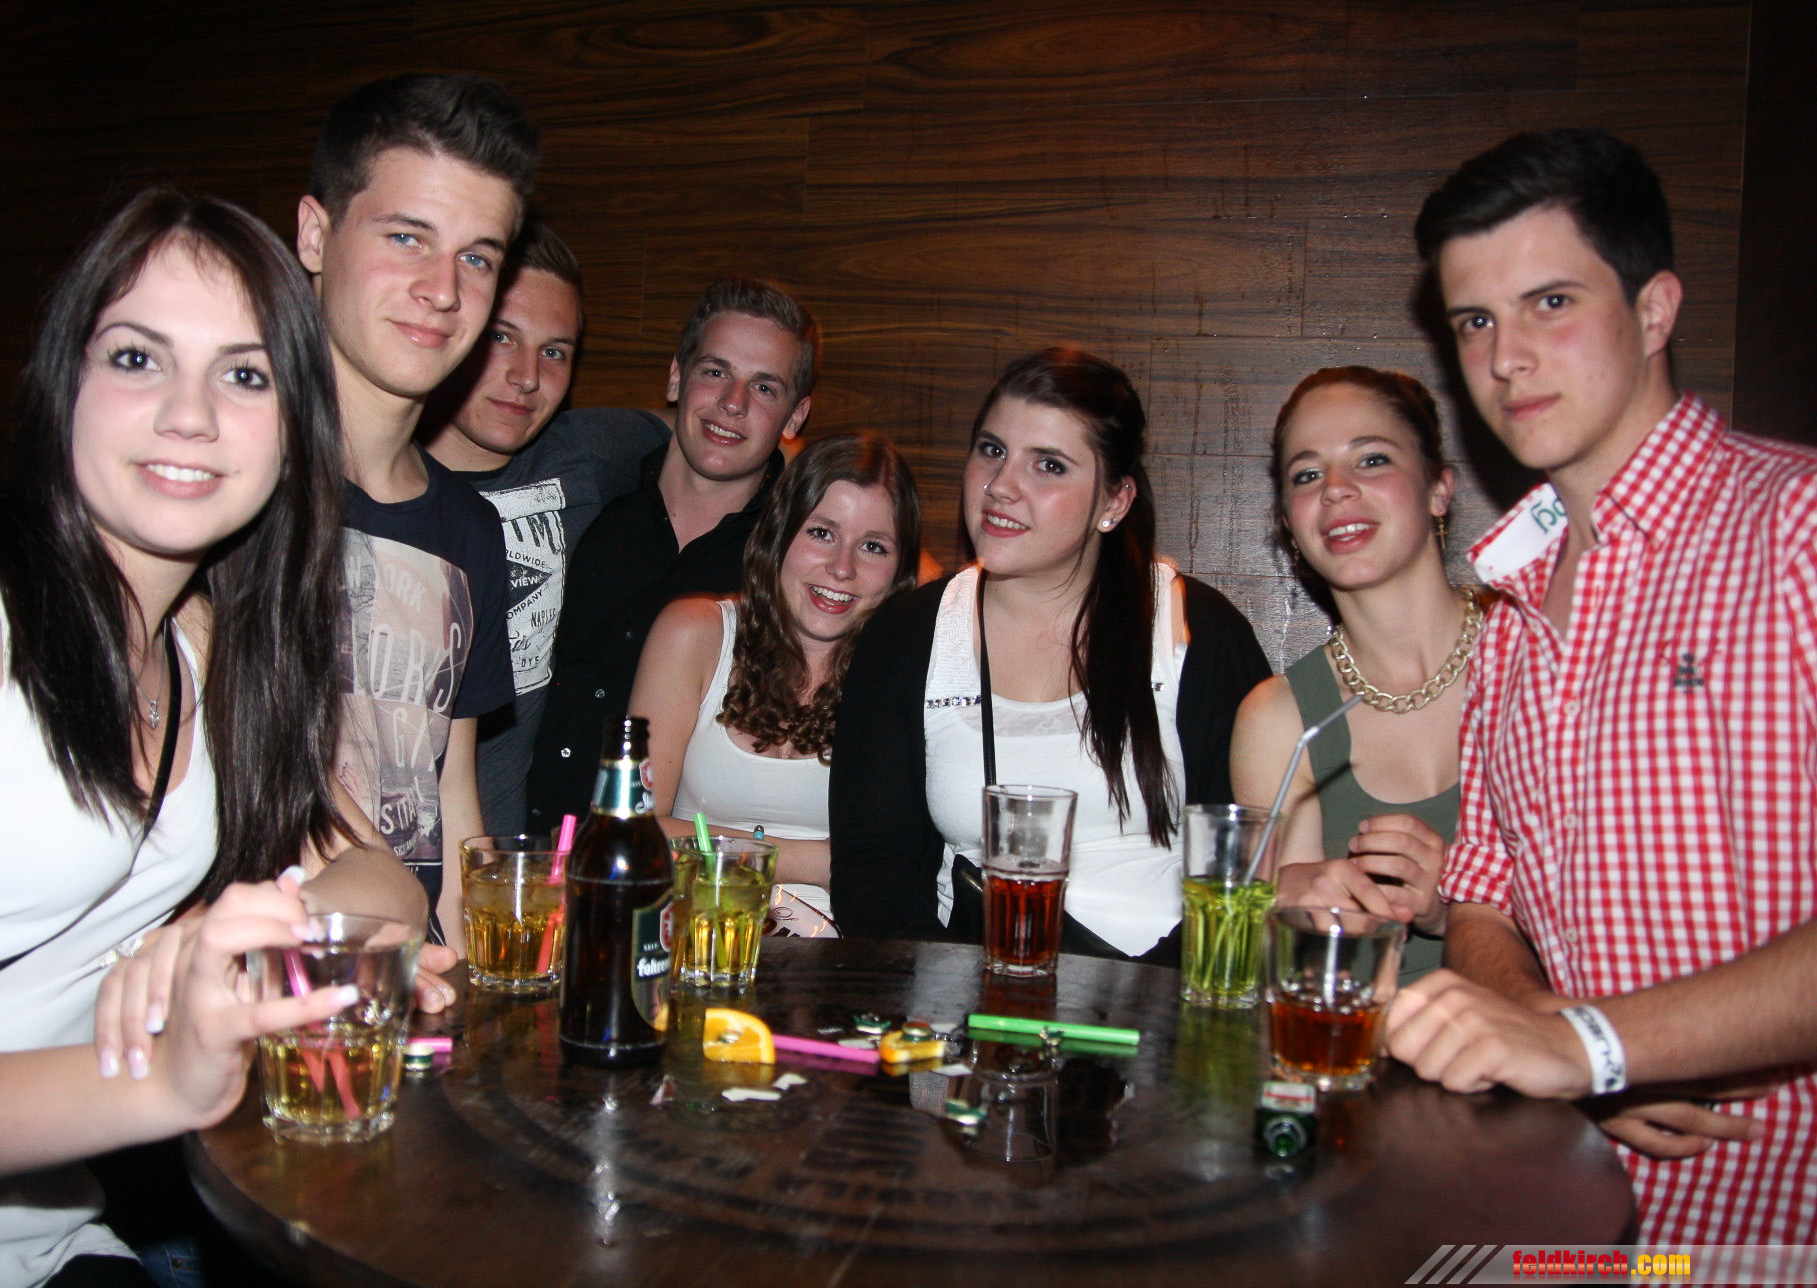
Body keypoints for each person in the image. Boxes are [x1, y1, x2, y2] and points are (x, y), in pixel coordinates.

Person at [0, 190, 426, 1287]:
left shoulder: (206, 648)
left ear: (295, 428)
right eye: (138, 358)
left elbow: (388, 887)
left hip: (53, 1244)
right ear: (65, 382)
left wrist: (234, 944)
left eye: (244, 376)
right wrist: (165, 1078)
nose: (190, 415)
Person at [1382, 128, 1817, 1244]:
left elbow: (1584, 1042)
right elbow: (1483, 897)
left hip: (1770, 1235)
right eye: (1474, 321)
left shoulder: (1797, 528)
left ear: (1656, 310)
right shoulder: (1509, 606)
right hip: (1569, 1231)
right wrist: (1551, 1032)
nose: (1505, 359)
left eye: (1550, 303)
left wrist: (1596, 1044)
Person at [830, 347, 1270, 960]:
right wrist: (952, 990)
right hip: (968, 989)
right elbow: (872, 869)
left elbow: (1246, 867)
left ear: (1114, 502)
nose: (1001, 485)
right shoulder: (908, 634)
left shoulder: (1200, 631)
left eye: (1049, 465)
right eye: (992, 450)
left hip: (1160, 992)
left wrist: (1135, 998)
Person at [297, 72, 538, 945]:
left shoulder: (469, 528)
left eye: (477, 258)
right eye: (407, 238)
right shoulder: (229, 489)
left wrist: (483, 985)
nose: (444, 289)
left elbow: (449, 795)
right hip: (260, 969)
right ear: (315, 234)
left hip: (412, 981)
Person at [524, 275, 817, 834]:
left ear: (796, 416)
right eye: (715, 373)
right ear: (677, 377)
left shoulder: (794, 561)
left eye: (764, 388)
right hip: (527, 850)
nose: (732, 403)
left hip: (666, 869)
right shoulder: (590, 500)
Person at [1230, 367, 1478, 980]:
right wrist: (1288, 909)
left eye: (1371, 460)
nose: (1336, 489)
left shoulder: (1537, 654)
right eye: (1307, 475)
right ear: (1289, 523)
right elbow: (1293, 977)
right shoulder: (1279, 717)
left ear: (1438, 490)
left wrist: (1459, 911)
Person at [422, 223, 670, 835]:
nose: (527, 376)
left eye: (554, 351)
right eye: (501, 337)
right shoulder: (378, 478)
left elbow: (711, 427)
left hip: (502, 860)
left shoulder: (580, 456)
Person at [627, 432, 922, 915]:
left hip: (844, 946)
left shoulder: (908, 672)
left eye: (873, 546)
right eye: (821, 533)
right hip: (694, 933)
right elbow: (631, 833)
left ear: (900, 568)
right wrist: (816, 863)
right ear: (779, 533)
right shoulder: (695, 633)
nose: (842, 568)